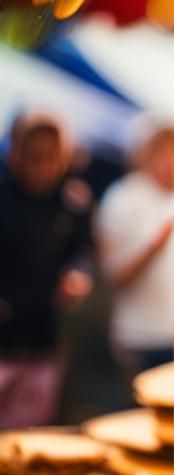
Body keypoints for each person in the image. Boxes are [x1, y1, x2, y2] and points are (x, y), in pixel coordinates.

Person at [0, 113, 93, 429]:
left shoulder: (73, 203)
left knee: (33, 437)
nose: (42, 167)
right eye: (33, 157)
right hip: (4, 340)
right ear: (16, 154)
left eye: (51, 157)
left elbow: (83, 254)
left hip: (46, 342)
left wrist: (77, 276)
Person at [95, 122, 174, 383]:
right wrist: (154, 247)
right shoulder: (123, 197)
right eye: (164, 151)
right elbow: (112, 274)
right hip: (137, 339)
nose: (172, 161)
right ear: (145, 154)